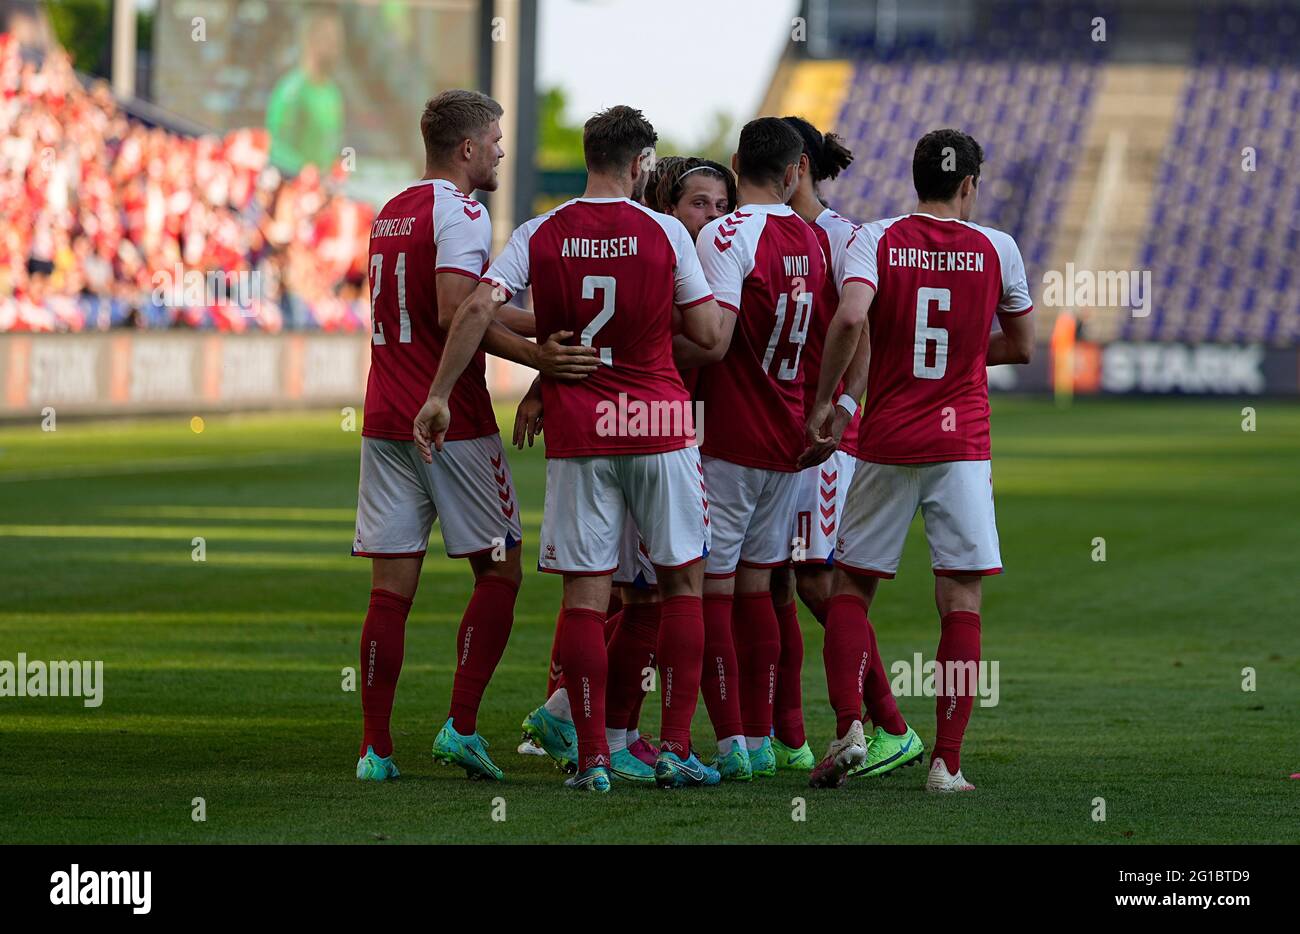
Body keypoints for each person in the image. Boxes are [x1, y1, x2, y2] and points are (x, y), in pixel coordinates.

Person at [415, 105, 729, 792]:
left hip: (582, 434)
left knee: (587, 599)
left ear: (589, 155)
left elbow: (474, 309)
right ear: (642, 164)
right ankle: (675, 746)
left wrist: (441, 395)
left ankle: (591, 761)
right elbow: (708, 333)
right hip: (658, 428)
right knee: (682, 586)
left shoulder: (540, 231)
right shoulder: (666, 231)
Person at [352, 90, 598, 783]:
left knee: (390, 591)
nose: (498, 151)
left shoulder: (391, 211)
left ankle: (376, 749)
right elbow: (455, 310)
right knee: (501, 570)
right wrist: (539, 357)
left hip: (384, 419)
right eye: (493, 141)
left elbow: (453, 310)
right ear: (466, 149)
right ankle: (461, 725)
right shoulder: (461, 211)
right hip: (449, 416)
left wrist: (532, 319)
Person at [804, 128, 1034, 791]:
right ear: (968, 186)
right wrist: (965, 354)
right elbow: (1021, 346)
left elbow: (850, 321)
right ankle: (946, 764)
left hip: (886, 436)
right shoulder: (999, 247)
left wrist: (829, 401)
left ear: (915, 178)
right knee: (959, 598)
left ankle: (850, 724)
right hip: (960, 444)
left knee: (851, 587)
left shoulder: (873, 238)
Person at [514, 154, 737, 772]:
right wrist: (541, 376)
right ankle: (623, 736)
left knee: (630, 598)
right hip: (658, 432)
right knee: (638, 592)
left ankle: (590, 730)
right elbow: (710, 339)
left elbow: (554, 321)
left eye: (722, 206)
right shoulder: (661, 246)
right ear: (665, 199)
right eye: (699, 203)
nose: (712, 216)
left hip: (627, 434)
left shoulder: (593, 237)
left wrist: (542, 369)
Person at [692, 117, 827, 780]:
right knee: (761, 590)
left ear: (738, 160)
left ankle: (733, 745)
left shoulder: (727, 233)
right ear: (797, 171)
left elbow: (713, 337)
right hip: (788, 439)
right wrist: (825, 414)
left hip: (730, 436)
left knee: (714, 592)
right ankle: (761, 741)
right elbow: (837, 338)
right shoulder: (813, 239)